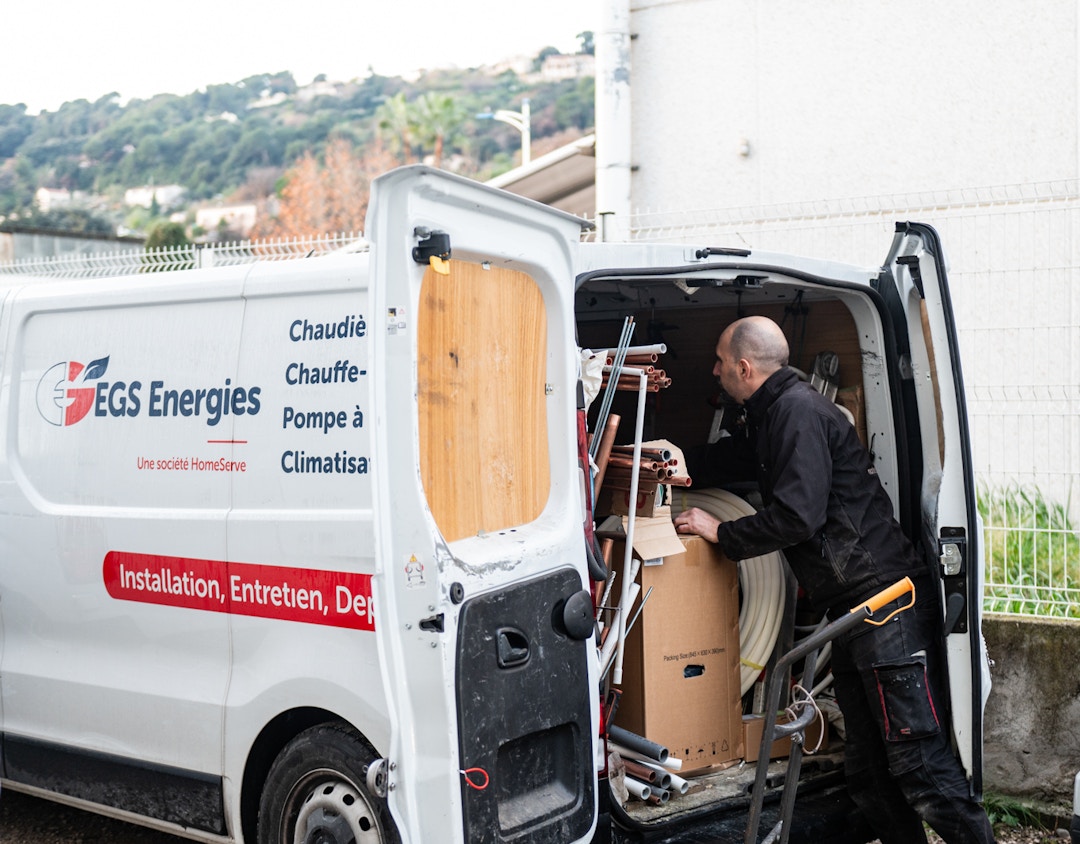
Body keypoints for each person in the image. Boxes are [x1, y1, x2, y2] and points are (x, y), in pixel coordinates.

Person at [672, 315, 995, 844]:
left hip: (884, 605)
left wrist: (722, 532)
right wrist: (679, 464)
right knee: (869, 775)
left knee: (918, 766)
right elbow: (741, 458)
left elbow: (798, 517)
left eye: (719, 361)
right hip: (856, 612)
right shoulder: (775, 413)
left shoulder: (796, 413)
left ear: (744, 367)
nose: (713, 370)